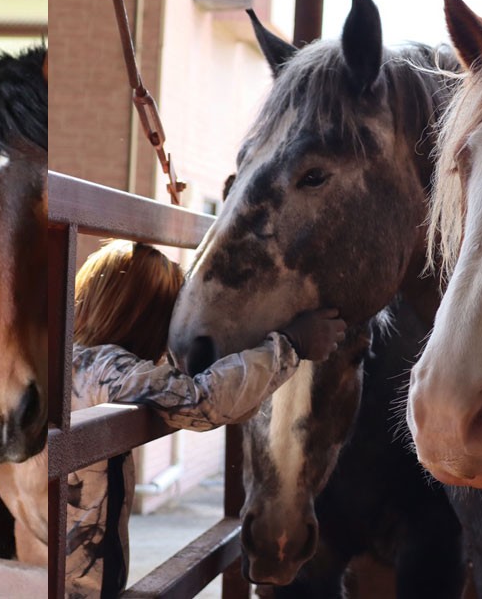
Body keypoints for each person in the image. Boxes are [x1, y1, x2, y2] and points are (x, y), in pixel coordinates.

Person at [66, 240, 345, 598]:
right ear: (145, 320)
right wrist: (291, 346)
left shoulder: (74, 364)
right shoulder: (105, 369)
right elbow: (202, 400)